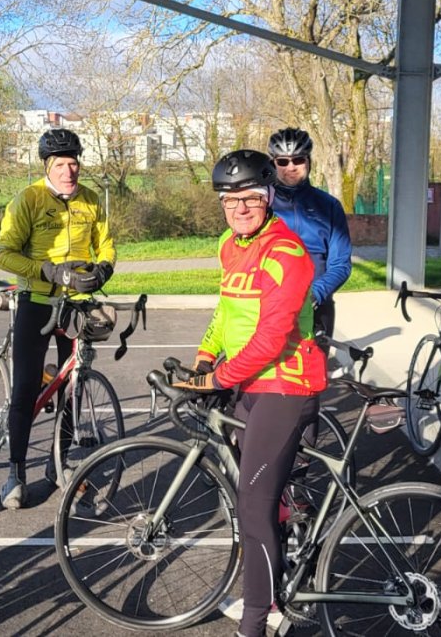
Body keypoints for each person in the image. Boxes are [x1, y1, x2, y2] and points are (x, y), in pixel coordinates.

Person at [175, 149, 327, 637]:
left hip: (285, 386)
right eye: (229, 199)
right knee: (264, 498)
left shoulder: (287, 254)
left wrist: (217, 379)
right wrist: (205, 357)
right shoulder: (230, 244)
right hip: (249, 384)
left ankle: (256, 622)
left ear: (268, 198)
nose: (240, 208)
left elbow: (271, 338)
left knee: (253, 506)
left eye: (250, 198)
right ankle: (276, 585)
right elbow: (226, 310)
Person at [0, 128, 116, 509]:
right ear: (47, 166)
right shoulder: (28, 199)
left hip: (76, 305)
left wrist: (103, 270)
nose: (69, 171)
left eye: (73, 163)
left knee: (73, 387)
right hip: (37, 302)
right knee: (25, 387)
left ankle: (58, 464)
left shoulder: (90, 200)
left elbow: (106, 245)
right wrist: (47, 271)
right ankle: (15, 472)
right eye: (61, 164)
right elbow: (4, 254)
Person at [267, 127, 352, 342]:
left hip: (317, 304)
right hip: (270, 307)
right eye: (283, 162)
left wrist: (315, 294)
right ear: (273, 164)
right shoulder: (262, 204)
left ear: (309, 161)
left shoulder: (329, 206)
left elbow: (341, 264)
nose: (291, 167)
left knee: (316, 365)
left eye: (298, 160)